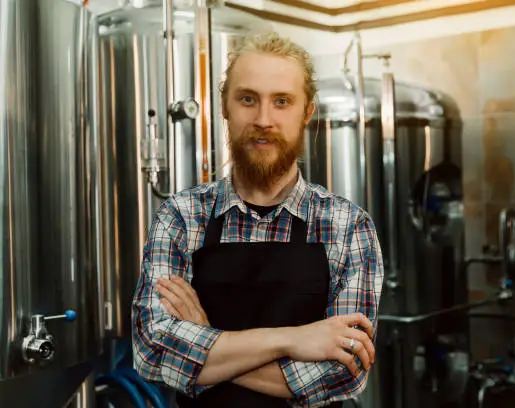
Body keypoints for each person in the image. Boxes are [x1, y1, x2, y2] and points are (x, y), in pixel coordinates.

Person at [131, 30, 384, 408]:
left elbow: (343, 372)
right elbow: (153, 351)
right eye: (248, 99)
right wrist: (290, 340)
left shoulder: (347, 224)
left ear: (307, 112)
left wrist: (204, 339)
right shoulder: (181, 217)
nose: (264, 119)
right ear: (225, 107)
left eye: (282, 101)